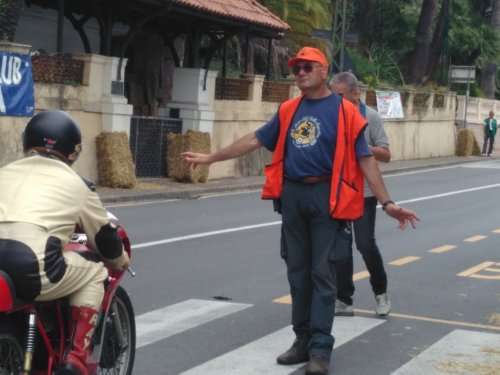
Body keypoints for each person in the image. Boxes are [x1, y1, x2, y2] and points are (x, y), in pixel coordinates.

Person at [181, 47, 419, 375]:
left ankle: (320, 350)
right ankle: (302, 340)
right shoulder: (288, 109)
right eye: (296, 69)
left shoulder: (346, 112)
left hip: (326, 196)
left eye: (307, 67)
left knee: (322, 273)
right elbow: (254, 140)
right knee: (297, 272)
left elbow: (366, 158)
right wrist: (211, 158)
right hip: (293, 195)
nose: (300, 73)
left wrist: (387, 203)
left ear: (323, 71)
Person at [0, 110, 130, 375]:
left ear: (27, 142)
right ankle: (76, 359)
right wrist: (120, 261)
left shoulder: (4, 172)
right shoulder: (77, 184)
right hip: (33, 270)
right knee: (95, 270)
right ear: (72, 152)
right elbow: (104, 237)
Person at [330, 72, 392, 317]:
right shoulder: (332, 116)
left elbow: (386, 155)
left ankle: (381, 293)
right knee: (341, 249)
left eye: (340, 96)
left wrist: (362, 148)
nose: (335, 101)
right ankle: (344, 299)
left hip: (365, 192)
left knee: (365, 244)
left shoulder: (371, 117)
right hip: (339, 190)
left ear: (355, 93)